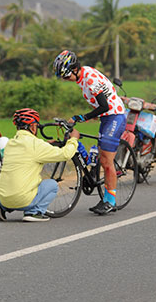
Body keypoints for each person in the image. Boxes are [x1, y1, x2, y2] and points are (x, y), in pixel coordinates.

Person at [53, 50, 126, 215]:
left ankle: (111, 201)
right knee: (101, 156)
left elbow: (105, 106)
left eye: (65, 76)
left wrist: (83, 117)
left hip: (114, 115)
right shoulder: (82, 77)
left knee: (106, 161)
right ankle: (101, 188)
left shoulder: (89, 78)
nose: (65, 79)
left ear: (74, 69)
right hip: (106, 117)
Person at [0, 108, 80, 222]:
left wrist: (46, 145)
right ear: (33, 127)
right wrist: (74, 139)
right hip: (23, 200)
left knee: (15, 183)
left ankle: (1, 206)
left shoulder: (10, 144)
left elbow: (29, 152)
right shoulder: (36, 145)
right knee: (52, 185)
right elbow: (65, 154)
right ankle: (34, 212)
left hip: (4, 197)